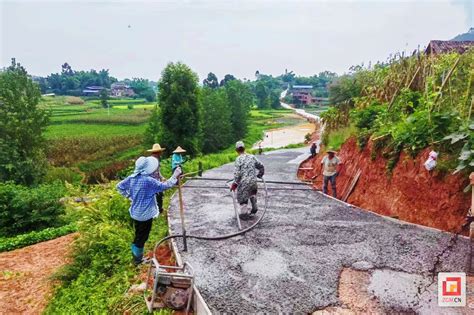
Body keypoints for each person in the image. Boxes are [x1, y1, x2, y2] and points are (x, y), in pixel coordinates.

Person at [117, 156, 182, 265]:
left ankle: (136, 257)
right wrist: (175, 175)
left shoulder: (132, 178)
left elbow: (119, 186)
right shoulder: (148, 180)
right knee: (142, 237)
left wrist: (129, 196)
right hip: (144, 215)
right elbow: (165, 186)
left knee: (138, 235)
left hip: (135, 213)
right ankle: (137, 260)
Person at [230, 141, 265, 221]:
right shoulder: (251, 157)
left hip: (244, 183)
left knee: (242, 199)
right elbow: (261, 166)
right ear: (244, 148)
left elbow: (237, 174)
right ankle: (254, 207)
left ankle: (244, 214)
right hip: (253, 182)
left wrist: (235, 184)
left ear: (236, 150)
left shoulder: (238, 159)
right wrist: (260, 174)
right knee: (252, 193)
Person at [147, 143, 166, 213]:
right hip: (153, 182)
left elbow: (158, 171)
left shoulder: (156, 159)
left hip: (155, 181)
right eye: (160, 152)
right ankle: (158, 211)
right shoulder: (152, 160)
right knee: (158, 197)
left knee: (159, 196)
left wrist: (162, 177)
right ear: (158, 152)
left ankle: (159, 210)